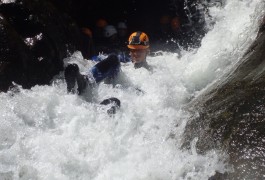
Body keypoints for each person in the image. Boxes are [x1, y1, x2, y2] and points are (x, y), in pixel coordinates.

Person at [64, 31, 152, 110]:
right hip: (112, 81)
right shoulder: (125, 59)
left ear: (147, 50)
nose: (135, 54)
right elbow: (99, 58)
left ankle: (104, 108)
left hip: (123, 92)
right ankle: (85, 81)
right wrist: (86, 61)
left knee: (117, 101)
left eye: (139, 50)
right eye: (133, 50)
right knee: (113, 58)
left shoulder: (154, 71)